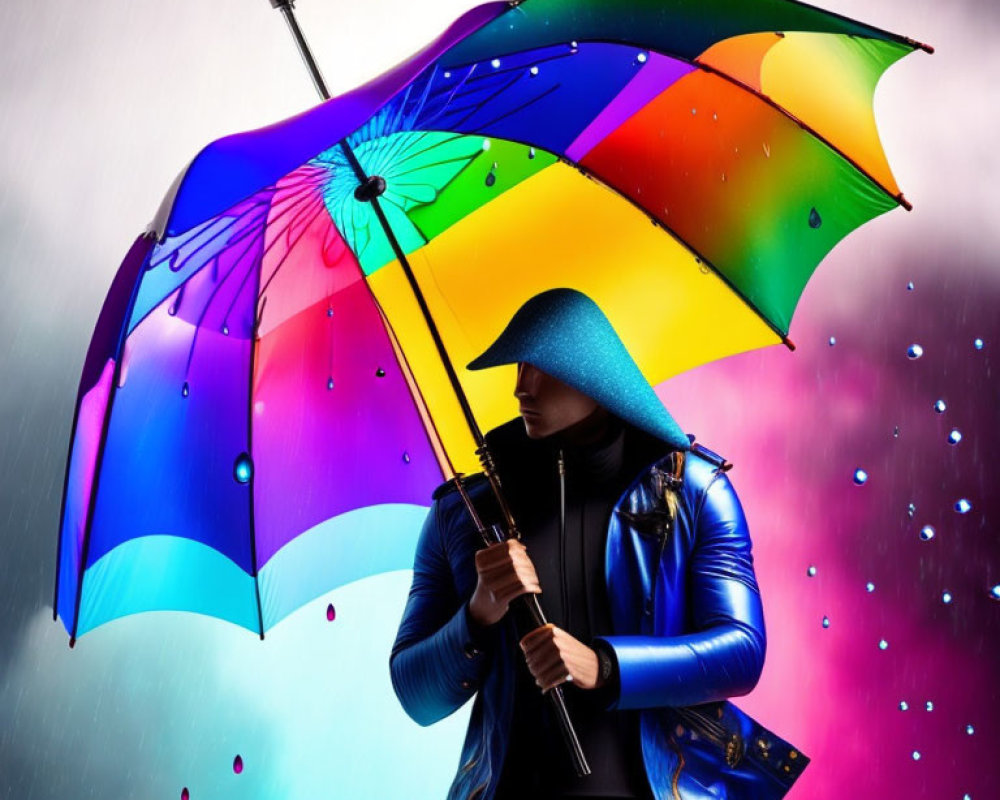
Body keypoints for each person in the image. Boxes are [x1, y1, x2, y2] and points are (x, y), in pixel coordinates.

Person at [389, 288, 775, 800]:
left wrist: (607, 666)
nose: (521, 388)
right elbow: (416, 696)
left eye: (541, 365)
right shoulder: (462, 514)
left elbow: (742, 652)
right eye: (518, 367)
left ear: (596, 372)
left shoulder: (696, 493)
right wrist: (480, 610)